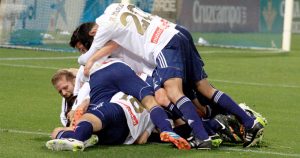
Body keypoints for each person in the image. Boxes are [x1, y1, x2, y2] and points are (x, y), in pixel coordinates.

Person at [72, 3, 264, 148]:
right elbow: (117, 40)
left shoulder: (103, 29)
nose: (87, 49)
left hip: (162, 44)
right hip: (177, 31)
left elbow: (89, 58)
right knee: (203, 88)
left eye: (85, 46)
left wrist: (88, 60)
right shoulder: (114, 7)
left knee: (171, 93)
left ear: (93, 32)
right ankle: (248, 121)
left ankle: (203, 135)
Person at [46, 57, 191, 151]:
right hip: (125, 135)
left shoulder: (96, 83)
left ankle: (77, 137)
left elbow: (86, 103)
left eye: (65, 88)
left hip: (120, 112)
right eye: (61, 91)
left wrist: (79, 112)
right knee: (92, 128)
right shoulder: (146, 92)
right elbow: (143, 137)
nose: (64, 93)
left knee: (82, 122)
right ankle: (206, 126)